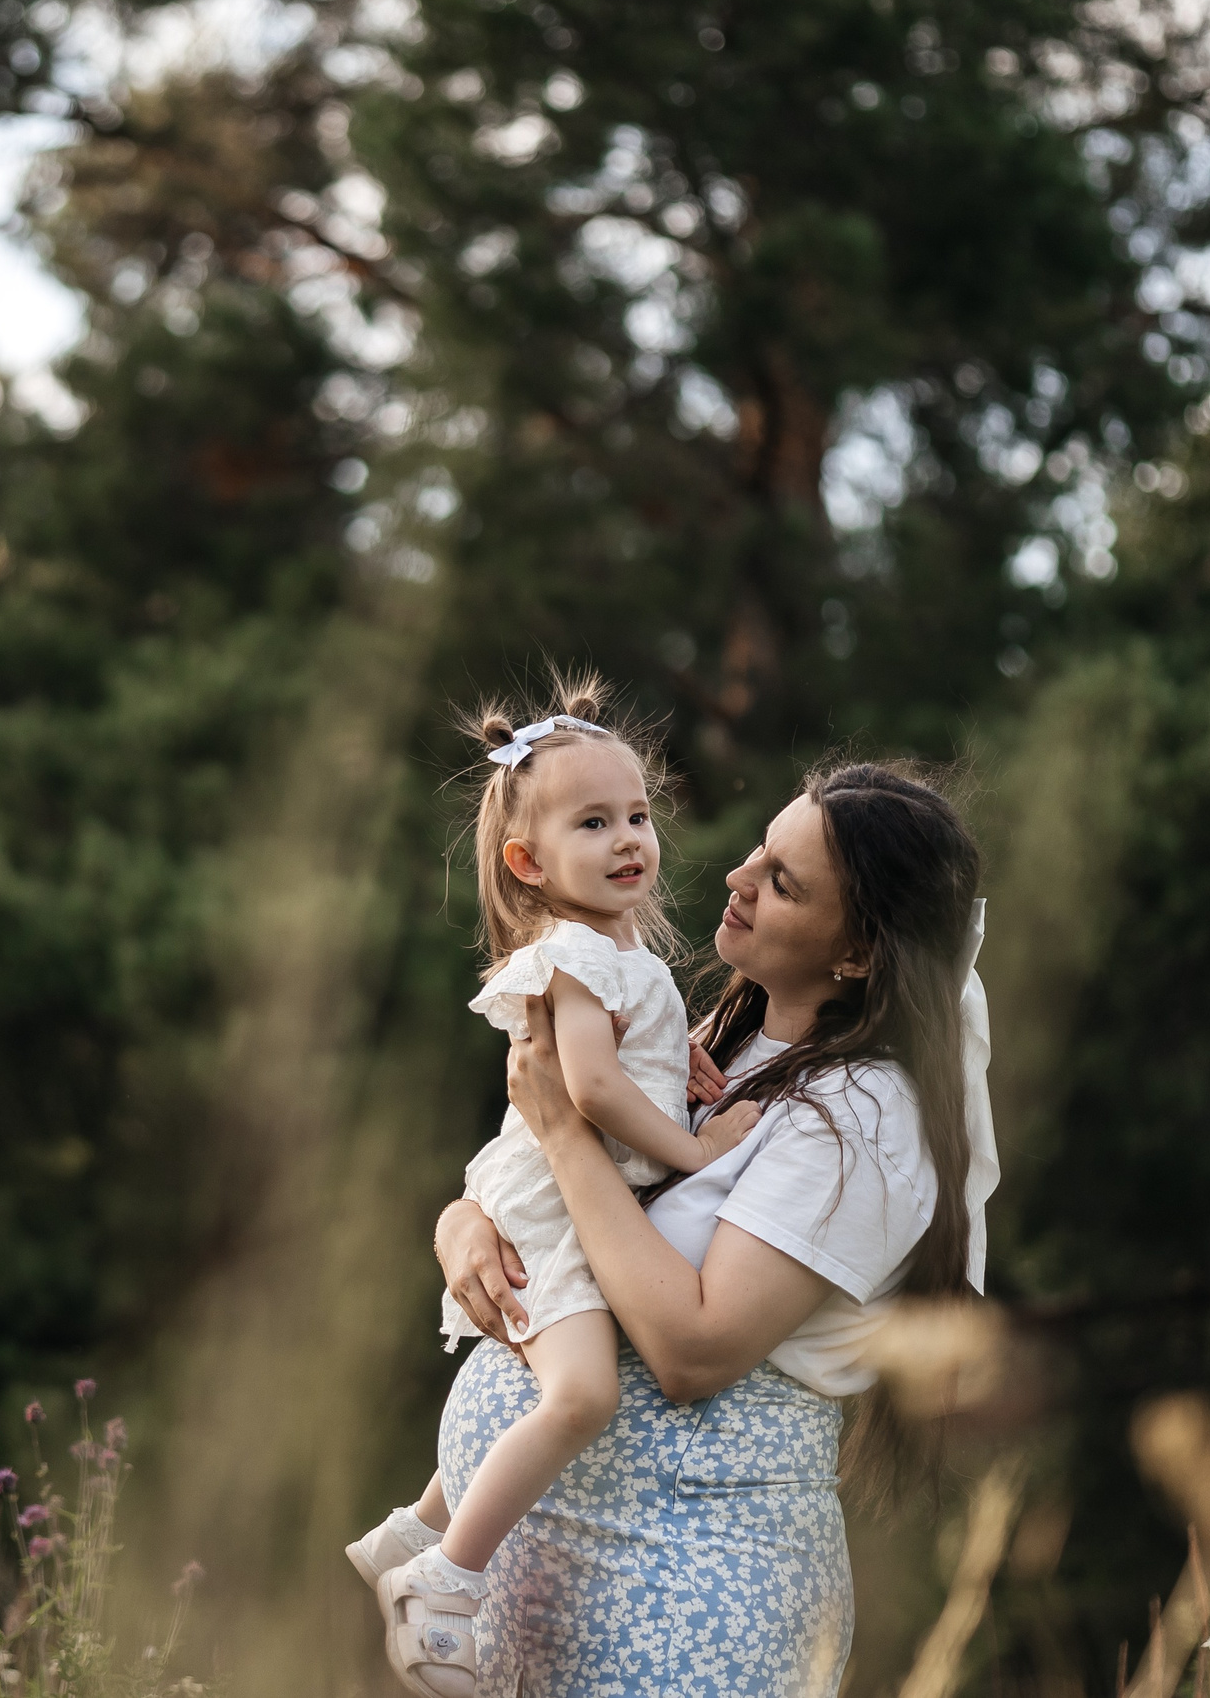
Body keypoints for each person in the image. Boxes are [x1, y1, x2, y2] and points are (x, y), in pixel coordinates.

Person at [422, 760, 1000, 1697]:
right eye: (759, 852)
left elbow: (695, 1347)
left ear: (856, 953)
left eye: (783, 881)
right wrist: (463, 1228)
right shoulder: (726, 1039)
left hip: (689, 1581)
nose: (737, 877)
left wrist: (566, 1133)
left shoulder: (863, 1115)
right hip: (562, 1578)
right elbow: (572, 1187)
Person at [347, 676, 758, 1698]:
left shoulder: (616, 951)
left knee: (556, 1370)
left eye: (636, 816)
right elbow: (586, 1086)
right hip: (550, 1205)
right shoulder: (574, 952)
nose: (629, 838)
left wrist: (682, 1066)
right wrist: (698, 1149)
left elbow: (627, 1065)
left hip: (562, 1195)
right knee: (578, 1393)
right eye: (592, 823)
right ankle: (441, 1580)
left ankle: (417, 1523)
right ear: (526, 862)